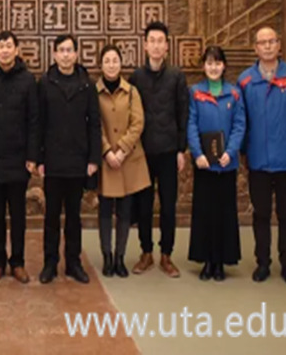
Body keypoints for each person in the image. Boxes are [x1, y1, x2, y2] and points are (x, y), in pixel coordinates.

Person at [239, 27, 286, 286]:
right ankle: (262, 263)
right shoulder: (246, 81)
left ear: (279, 45)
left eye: (272, 41)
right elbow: (241, 120)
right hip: (258, 159)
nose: (268, 46)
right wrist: (242, 151)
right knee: (260, 214)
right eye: (263, 42)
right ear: (255, 48)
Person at [37, 35, 101, 284]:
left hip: (78, 160)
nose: (65, 55)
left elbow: (94, 124)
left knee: (74, 217)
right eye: (61, 50)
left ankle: (73, 263)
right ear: (54, 54)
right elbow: (39, 123)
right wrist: (39, 158)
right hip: (52, 161)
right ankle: (50, 263)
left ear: (76, 54)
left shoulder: (87, 84)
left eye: (69, 50)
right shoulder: (45, 83)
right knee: (51, 216)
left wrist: (93, 158)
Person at [129, 21, 189, 278]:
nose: (155, 45)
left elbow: (183, 114)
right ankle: (146, 252)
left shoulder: (176, 77)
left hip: (168, 151)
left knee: (167, 206)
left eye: (160, 41)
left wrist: (181, 150)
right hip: (142, 153)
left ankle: (166, 254)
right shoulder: (136, 77)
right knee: (143, 206)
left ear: (167, 46)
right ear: (145, 45)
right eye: (151, 41)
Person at [0, 31, 39, 284]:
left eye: (9, 46)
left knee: (17, 216)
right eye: (1, 46)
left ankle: (18, 262)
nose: (5, 50)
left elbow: (34, 121)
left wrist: (32, 156)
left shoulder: (28, 80)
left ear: (16, 50)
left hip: (18, 159)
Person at [187, 46, 246, 282]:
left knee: (224, 213)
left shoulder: (234, 93)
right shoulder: (195, 92)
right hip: (204, 164)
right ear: (204, 66)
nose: (213, 68)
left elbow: (240, 125)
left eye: (217, 63)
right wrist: (197, 153)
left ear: (224, 66)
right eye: (209, 63)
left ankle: (221, 261)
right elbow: (191, 124)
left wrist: (230, 152)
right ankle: (207, 261)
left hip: (226, 165)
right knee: (204, 212)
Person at [96, 45, 150, 279]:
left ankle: (120, 257)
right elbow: (93, 124)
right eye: (107, 61)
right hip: (106, 160)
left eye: (115, 60)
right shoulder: (93, 92)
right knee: (105, 211)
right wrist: (107, 151)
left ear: (121, 63)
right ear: (101, 65)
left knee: (125, 212)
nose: (111, 65)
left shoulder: (132, 92)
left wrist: (122, 150)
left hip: (128, 160)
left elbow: (138, 123)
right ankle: (107, 256)